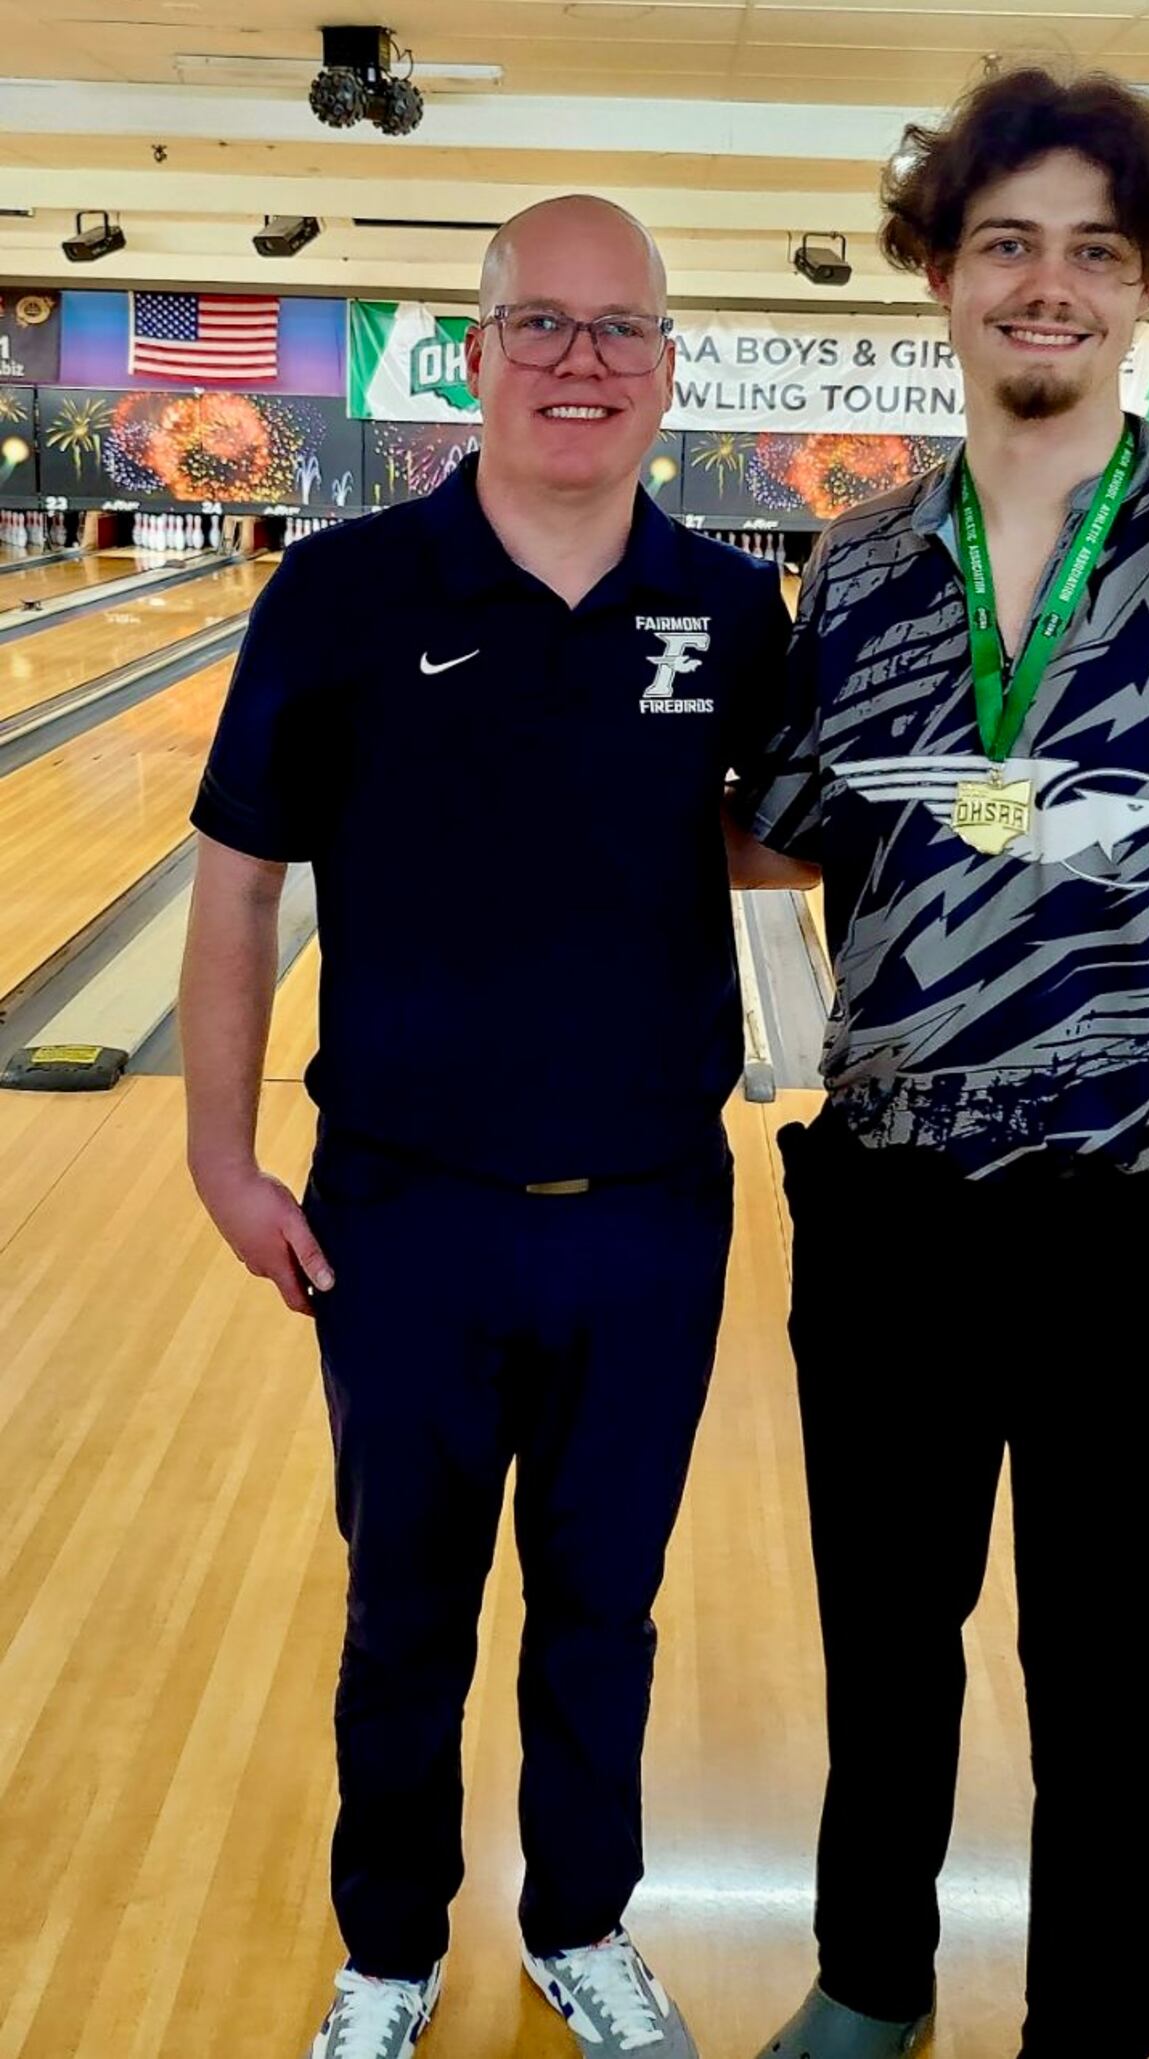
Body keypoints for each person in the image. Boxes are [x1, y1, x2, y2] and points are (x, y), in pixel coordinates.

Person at [735, 67, 1149, 2059]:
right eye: (1006, 245)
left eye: (1092, 255)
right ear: (940, 277)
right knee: (884, 1652)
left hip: (1134, 1229)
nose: (1046, 287)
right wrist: (504, 774)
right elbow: (780, 827)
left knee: (1110, 1683)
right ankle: (868, 1988)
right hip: (879, 1214)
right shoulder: (857, 568)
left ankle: (1088, 2033)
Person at [180, 195, 811, 2059]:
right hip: (406, 1216)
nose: (581, 361)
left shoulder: (728, 603)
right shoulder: (346, 592)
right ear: (473, 354)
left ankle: (582, 1925)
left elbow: (774, 846)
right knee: (406, 1625)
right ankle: (387, 1955)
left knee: (602, 1618)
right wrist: (221, 1158)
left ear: (671, 369)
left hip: (646, 1215)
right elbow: (232, 889)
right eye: (541, 323)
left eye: (622, 330)